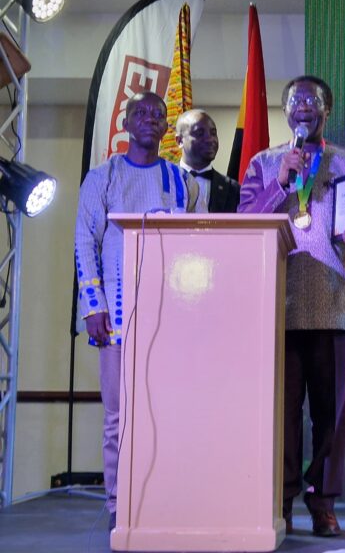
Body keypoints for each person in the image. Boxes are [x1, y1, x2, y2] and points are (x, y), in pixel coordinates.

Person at [238, 75, 345, 537]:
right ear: (285, 112)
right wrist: (280, 183)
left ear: (326, 109)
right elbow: (245, 222)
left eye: (311, 102)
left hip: (334, 302)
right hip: (280, 302)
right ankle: (280, 501)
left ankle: (323, 503)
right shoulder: (263, 162)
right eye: (294, 102)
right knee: (281, 414)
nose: (303, 108)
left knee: (330, 414)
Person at [74, 91, 204, 531]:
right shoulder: (103, 177)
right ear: (126, 123)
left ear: (166, 128)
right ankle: (118, 504)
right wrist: (93, 306)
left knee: (167, 412)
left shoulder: (179, 180)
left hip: (169, 318)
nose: (150, 119)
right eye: (140, 113)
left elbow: (198, 243)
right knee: (118, 417)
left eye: (157, 114)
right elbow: (84, 243)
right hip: (115, 316)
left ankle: (164, 499)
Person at [176, 108, 240, 212]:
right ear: (180, 141)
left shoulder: (233, 189)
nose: (210, 139)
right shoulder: (163, 181)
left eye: (213, 133)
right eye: (200, 133)